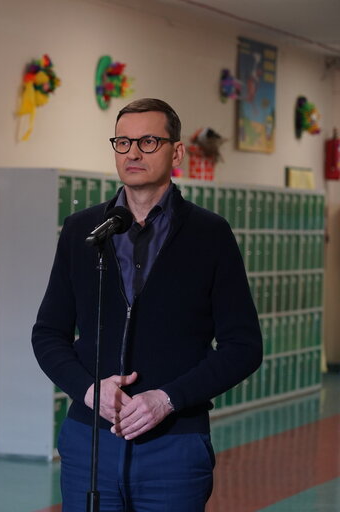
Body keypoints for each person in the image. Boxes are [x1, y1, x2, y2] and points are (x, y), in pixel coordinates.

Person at [32, 98, 262, 511]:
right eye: (122, 142)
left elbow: (243, 346)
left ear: (176, 152)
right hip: (91, 443)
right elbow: (48, 333)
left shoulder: (210, 235)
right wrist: (88, 390)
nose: (132, 152)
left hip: (174, 446)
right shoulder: (82, 231)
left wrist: (167, 399)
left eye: (148, 141)